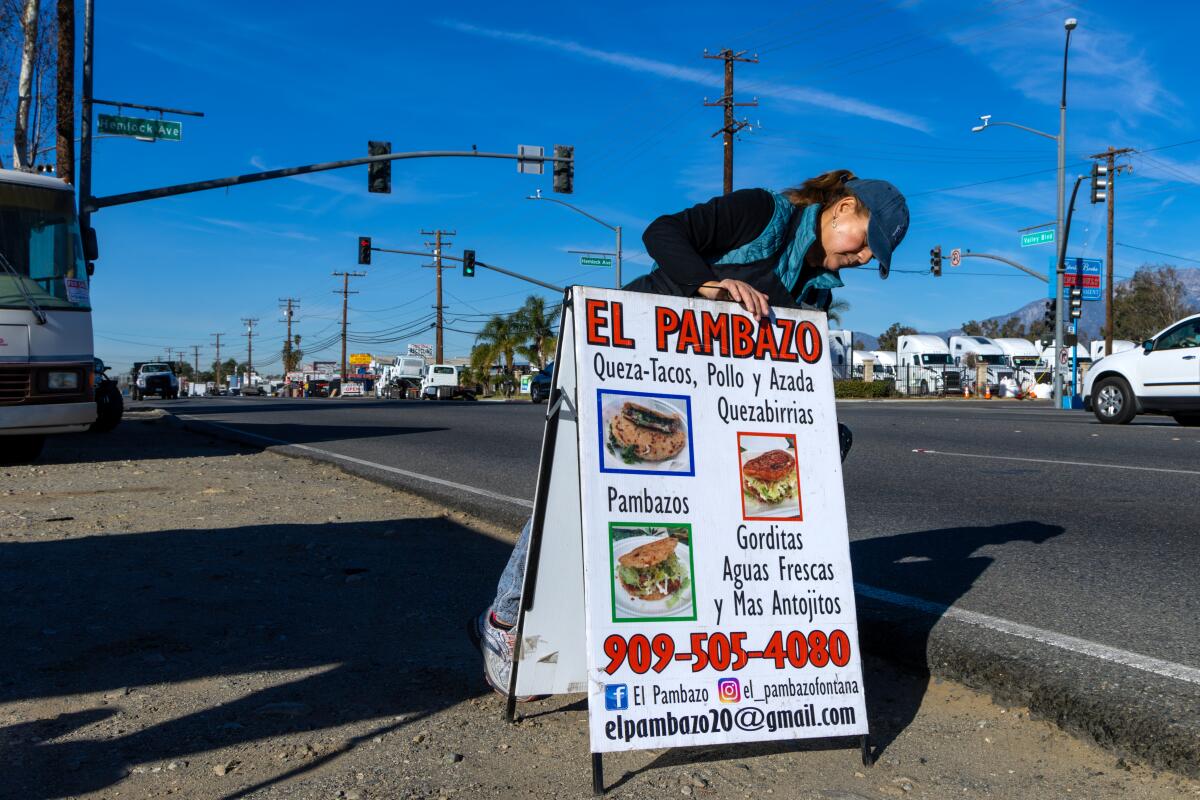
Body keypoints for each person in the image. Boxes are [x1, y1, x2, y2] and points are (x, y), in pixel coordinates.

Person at [469, 170, 909, 698]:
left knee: (825, 441)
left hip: (708, 396)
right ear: (843, 209)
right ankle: (505, 621)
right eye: (866, 243)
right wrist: (710, 283)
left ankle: (720, 626)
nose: (864, 259)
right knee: (578, 483)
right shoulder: (762, 213)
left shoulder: (813, 291)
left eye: (873, 257)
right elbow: (662, 232)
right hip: (635, 366)